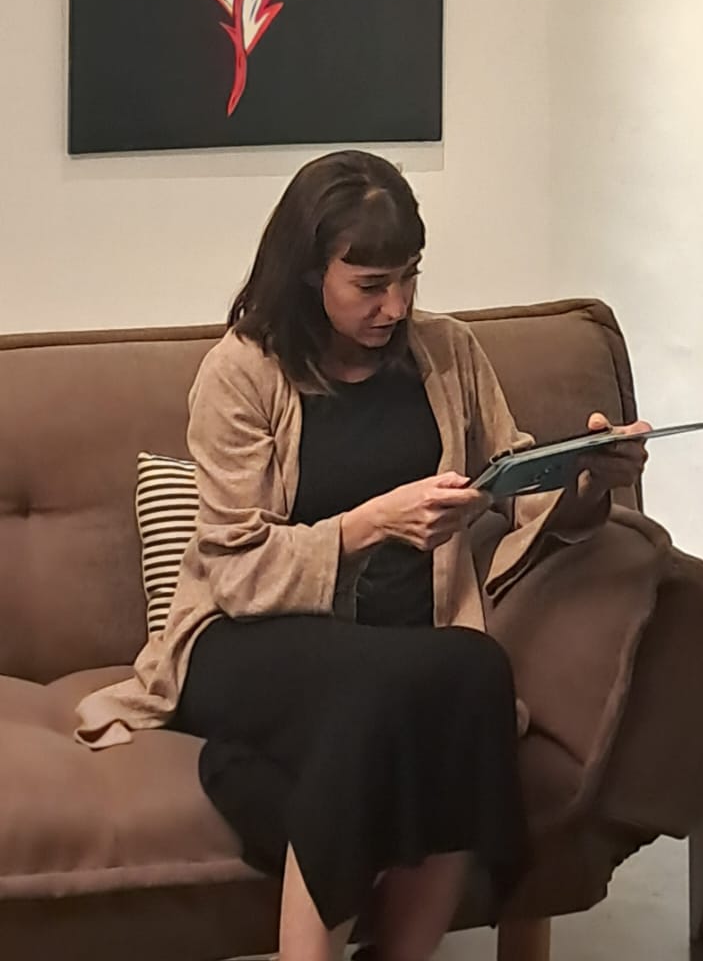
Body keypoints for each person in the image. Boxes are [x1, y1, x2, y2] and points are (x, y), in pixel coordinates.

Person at [74, 151, 649, 961]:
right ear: (311, 272)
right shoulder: (241, 374)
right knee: (388, 692)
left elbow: (517, 487)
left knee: (475, 671)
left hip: (401, 647)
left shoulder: (448, 354)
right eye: (371, 285)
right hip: (242, 638)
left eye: (408, 277)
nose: (396, 305)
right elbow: (234, 571)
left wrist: (587, 477)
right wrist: (371, 524)